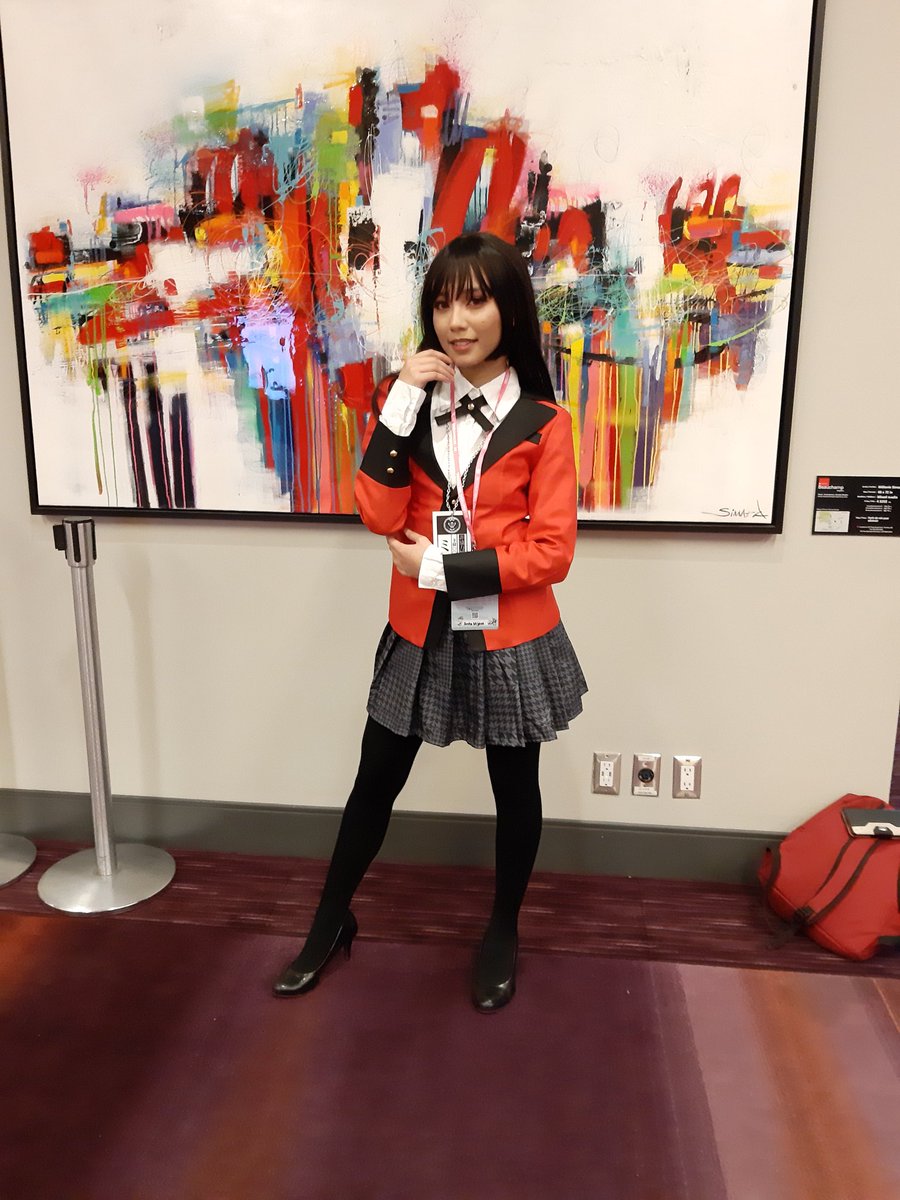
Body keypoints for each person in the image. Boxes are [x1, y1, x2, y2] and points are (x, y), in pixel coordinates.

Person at [273, 231, 587, 1012]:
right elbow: (377, 513)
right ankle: (329, 921)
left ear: (509, 310)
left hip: (508, 632)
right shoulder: (407, 404)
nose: (457, 320)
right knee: (373, 781)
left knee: (515, 788)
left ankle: (503, 929)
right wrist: (399, 402)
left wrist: (441, 567)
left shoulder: (545, 420)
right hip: (418, 631)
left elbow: (551, 552)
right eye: (443, 303)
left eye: (475, 301)